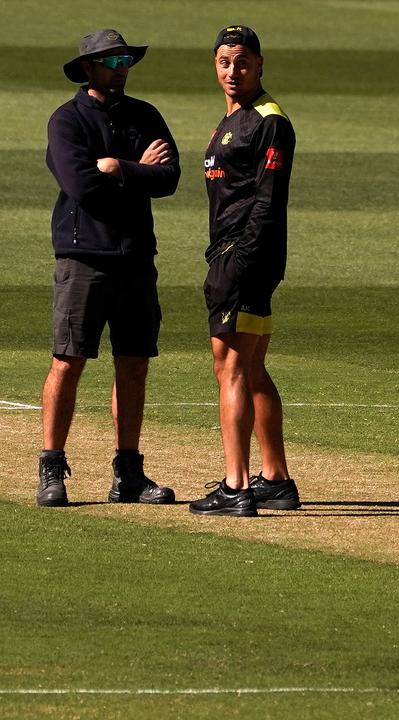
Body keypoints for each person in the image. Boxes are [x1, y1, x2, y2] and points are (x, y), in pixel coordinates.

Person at [39, 29, 179, 507]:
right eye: (111, 60)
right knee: (68, 360)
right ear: (87, 69)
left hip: (136, 258)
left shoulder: (145, 114)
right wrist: (136, 169)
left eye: (124, 59)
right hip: (83, 258)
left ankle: (128, 475)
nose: (121, 67)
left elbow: (170, 177)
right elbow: (81, 186)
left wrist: (119, 168)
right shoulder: (67, 121)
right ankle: (52, 469)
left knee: (134, 364)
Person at [190, 25, 300, 517]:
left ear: (260, 64)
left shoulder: (269, 122)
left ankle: (235, 487)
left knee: (230, 369)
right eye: (224, 62)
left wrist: (238, 261)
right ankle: (275, 479)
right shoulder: (231, 119)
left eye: (241, 62)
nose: (232, 71)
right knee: (252, 368)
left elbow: (267, 203)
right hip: (239, 256)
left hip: (245, 259)